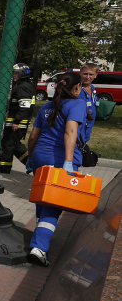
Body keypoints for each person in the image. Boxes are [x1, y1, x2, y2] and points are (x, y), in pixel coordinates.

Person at [26, 71, 88, 266]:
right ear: (77, 87)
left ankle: (38, 239)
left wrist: (30, 157)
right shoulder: (77, 104)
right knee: (53, 206)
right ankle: (39, 248)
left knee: (42, 199)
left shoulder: (46, 107)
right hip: (60, 158)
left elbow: (33, 137)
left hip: (40, 156)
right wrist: (68, 162)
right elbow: (70, 131)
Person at [0, 63, 35, 173]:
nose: (13, 75)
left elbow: (25, 106)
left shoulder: (22, 87)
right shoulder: (23, 85)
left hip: (17, 123)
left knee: (8, 145)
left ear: (22, 74)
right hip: (17, 122)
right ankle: (31, 164)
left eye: (16, 73)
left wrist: (17, 121)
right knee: (15, 145)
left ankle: (3, 168)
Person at [79, 63, 98, 143]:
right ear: (80, 73)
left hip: (88, 126)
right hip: (78, 126)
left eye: (91, 74)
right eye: (85, 74)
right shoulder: (76, 89)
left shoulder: (92, 88)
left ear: (95, 75)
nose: (87, 77)